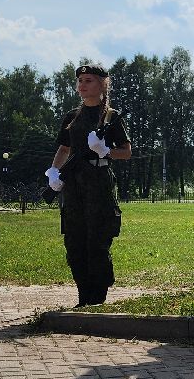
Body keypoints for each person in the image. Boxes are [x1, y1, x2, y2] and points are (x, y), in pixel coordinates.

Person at [46, 64, 131, 306]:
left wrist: (105, 151)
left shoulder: (111, 117)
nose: (83, 85)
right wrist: (54, 172)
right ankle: (83, 295)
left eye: (89, 80)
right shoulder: (73, 117)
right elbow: (64, 149)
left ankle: (97, 297)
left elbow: (126, 152)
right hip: (73, 185)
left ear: (103, 84)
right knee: (74, 240)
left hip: (98, 183)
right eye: (81, 80)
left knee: (97, 240)